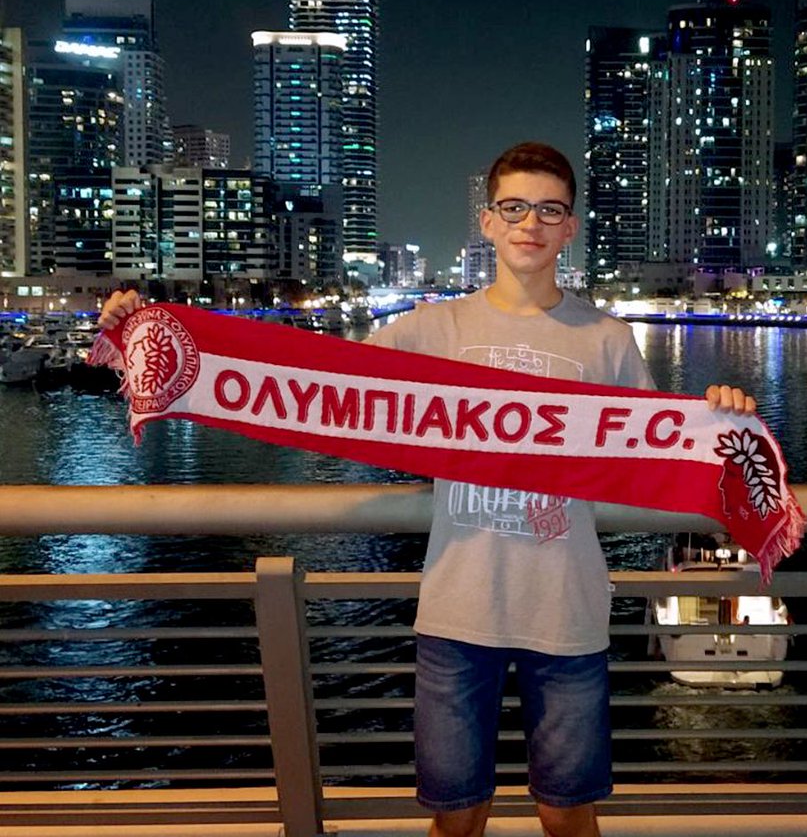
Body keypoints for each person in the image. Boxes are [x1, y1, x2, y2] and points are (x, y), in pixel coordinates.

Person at [98, 140, 755, 837]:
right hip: (457, 609)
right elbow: (302, 380)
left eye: (549, 210)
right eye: (514, 207)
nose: (530, 223)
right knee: (456, 816)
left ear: (569, 226)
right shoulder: (431, 328)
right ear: (488, 220)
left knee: (568, 814)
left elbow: (654, 453)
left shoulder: (608, 339)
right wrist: (146, 335)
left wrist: (720, 420)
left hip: (568, 609)